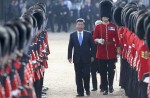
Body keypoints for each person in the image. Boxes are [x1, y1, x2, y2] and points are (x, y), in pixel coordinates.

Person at [93, 0, 120, 95]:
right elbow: (94, 38)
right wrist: (98, 40)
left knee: (111, 70)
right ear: (101, 17)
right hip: (101, 52)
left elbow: (117, 39)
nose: (105, 18)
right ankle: (104, 87)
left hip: (111, 51)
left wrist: (118, 50)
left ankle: (111, 86)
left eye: (106, 16)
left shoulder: (113, 26)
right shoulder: (98, 27)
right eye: (103, 17)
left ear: (109, 16)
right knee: (103, 72)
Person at [68, 18, 94, 97]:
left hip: (87, 58)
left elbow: (93, 46)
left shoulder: (88, 34)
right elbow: (70, 47)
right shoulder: (72, 35)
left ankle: (87, 89)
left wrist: (93, 56)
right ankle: (80, 92)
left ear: (84, 25)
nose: (80, 26)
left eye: (81, 24)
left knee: (86, 75)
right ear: (76, 25)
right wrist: (69, 57)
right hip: (77, 59)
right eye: (78, 24)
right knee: (78, 76)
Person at [91, 20, 102, 91]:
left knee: (102, 73)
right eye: (97, 25)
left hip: (102, 56)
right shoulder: (90, 34)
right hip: (93, 56)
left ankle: (102, 86)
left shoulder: (105, 33)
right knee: (93, 72)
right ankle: (94, 87)